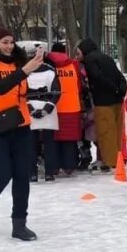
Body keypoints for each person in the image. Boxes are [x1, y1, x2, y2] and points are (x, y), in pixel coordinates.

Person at [0, 25, 46, 240]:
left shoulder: (19, 61)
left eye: (11, 42)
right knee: (3, 173)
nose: (9, 46)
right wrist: (25, 70)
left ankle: (19, 224)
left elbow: (18, 88)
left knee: (22, 175)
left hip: (19, 124)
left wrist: (39, 93)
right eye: (4, 42)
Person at [77, 37, 127, 171]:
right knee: (115, 132)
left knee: (105, 133)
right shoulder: (107, 58)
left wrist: (111, 88)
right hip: (117, 101)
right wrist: (120, 91)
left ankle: (109, 161)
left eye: (79, 51)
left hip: (103, 102)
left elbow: (97, 77)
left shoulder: (89, 60)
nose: (78, 55)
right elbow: (120, 76)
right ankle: (117, 158)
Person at [23, 45, 60, 183]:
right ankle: (49, 172)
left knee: (30, 143)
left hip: (30, 109)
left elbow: (21, 93)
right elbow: (56, 92)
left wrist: (30, 108)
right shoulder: (51, 71)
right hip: (47, 110)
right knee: (49, 143)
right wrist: (47, 109)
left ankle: (32, 173)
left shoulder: (24, 71)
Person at [46, 43, 82, 176]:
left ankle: (54, 167)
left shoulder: (47, 65)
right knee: (69, 138)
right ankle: (69, 166)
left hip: (52, 106)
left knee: (52, 139)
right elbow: (79, 85)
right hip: (72, 106)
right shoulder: (74, 64)